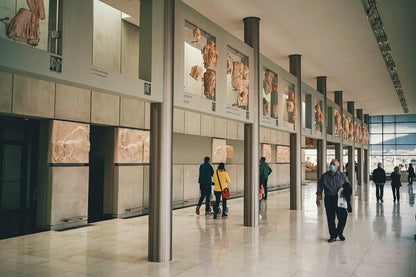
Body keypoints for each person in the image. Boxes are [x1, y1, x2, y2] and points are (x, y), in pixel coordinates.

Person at [316, 159, 351, 242]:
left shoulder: (342, 176)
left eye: (334, 164)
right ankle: (333, 236)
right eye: (331, 164)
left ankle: (339, 232)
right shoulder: (324, 176)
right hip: (329, 199)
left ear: (337, 166)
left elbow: (348, 185)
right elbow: (320, 187)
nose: (332, 165)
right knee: (331, 218)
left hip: (340, 199)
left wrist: (346, 192)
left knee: (343, 216)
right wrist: (317, 198)